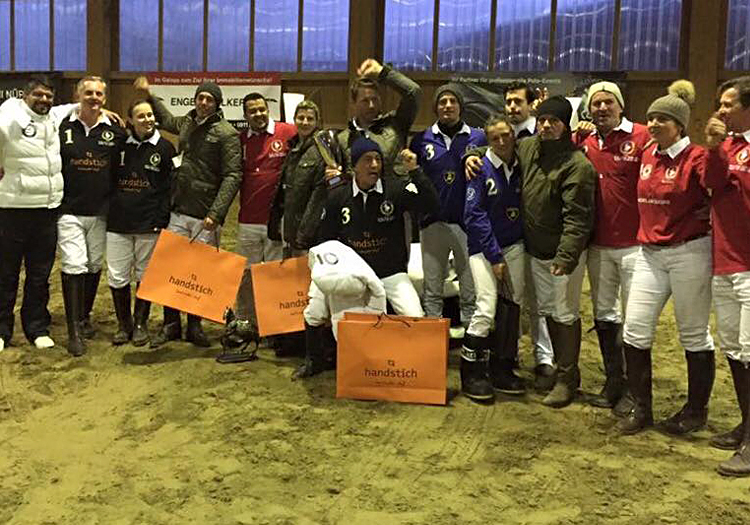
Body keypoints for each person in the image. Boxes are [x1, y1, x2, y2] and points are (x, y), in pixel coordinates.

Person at [619, 81, 717, 435]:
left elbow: (717, 187)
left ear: (680, 125)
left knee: (693, 333)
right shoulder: (648, 154)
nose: (654, 124)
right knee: (635, 329)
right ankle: (641, 408)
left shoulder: (697, 157)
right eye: (651, 118)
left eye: (662, 119)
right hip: (650, 253)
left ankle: (695, 411)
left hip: (689, 252)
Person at [296, 138, 440, 378]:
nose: (374, 165)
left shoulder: (396, 189)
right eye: (367, 160)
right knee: (314, 310)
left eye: (378, 159)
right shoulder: (338, 196)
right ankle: (314, 360)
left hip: (389, 271)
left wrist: (415, 171)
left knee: (415, 315)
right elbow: (326, 239)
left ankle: (414, 366)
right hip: (351, 274)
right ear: (354, 166)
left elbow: (432, 205)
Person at [133, 77, 243, 348]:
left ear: (217, 104)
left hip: (205, 215)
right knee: (171, 269)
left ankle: (194, 325)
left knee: (199, 273)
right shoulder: (186, 123)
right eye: (200, 97)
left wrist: (216, 213)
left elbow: (233, 175)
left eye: (209, 99)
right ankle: (171, 324)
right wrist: (149, 95)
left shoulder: (227, 133)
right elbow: (166, 119)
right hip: (178, 209)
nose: (203, 102)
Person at [572, 82, 651, 411]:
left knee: (635, 320)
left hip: (635, 246)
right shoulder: (583, 140)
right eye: (596, 103)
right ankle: (613, 381)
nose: (602, 108)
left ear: (620, 105)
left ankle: (636, 390)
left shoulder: (642, 136)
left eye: (608, 102)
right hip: (599, 245)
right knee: (604, 314)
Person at [58, 76, 127, 356]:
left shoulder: (116, 131)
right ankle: (74, 330)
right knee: (74, 264)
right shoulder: (61, 126)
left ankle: (83, 316)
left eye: (99, 94)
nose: (94, 98)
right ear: (78, 95)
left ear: (105, 98)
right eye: (88, 93)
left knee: (93, 264)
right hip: (68, 210)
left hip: (101, 211)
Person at [409, 83, 485, 334]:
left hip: (467, 224)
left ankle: (471, 342)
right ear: (435, 107)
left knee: (470, 288)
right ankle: (433, 340)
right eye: (442, 102)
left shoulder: (478, 138)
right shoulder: (421, 140)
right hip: (433, 224)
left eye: (453, 101)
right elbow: (412, 179)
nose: (448, 106)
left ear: (461, 106)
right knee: (432, 289)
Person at [461, 115, 527, 402]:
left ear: (513, 135)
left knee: (513, 305)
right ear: (487, 141)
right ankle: (472, 373)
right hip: (484, 247)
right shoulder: (479, 168)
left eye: (505, 135)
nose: (501, 141)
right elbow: (473, 215)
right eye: (494, 138)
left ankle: (503, 367)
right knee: (486, 307)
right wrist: (494, 255)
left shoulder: (520, 165)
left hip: (514, 244)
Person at [703, 76, 750, 476]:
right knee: (734, 348)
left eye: (728, 104)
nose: (720, 109)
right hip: (725, 259)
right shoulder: (728, 146)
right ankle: (747, 425)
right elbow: (712, 183)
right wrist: (715, 148)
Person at [0, 76, 68, 352]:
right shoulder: (9, 115)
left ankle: (37, 327)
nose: (44, 100)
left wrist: (103, 111)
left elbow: (73, 107)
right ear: (25, 96)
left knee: (40, 276)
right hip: (12, 210)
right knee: (6, 274)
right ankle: (2, 330)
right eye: (38, 95)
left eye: (48, 96)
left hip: (46, 211)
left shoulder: (54, 117)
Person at [106, 99, 174, 347]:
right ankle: (123, 324)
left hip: (149, 222)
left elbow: (170, 188)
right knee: (117, 274)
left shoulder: (165, 148)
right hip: (118, 222)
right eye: (141, 116)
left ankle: (139, 324)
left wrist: (161, 219)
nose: (148, 120)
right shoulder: (118, 146)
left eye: (150, 115)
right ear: (131, 121)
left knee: (145, 274)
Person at [234, 93, 296, 330]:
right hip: (248, 220)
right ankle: (245, 322)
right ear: (245, 115)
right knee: (246, 274)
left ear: (268, 109)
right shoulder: (240, 140)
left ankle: (274, 325)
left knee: (274, 274)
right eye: (252, 111)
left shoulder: (287, 132)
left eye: (261, 109)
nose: (258, 114)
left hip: (276, 221)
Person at [330, 58, 421, 179]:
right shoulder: (343, 140)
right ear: (354, 104)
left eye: (375, 100)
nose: (371, 105)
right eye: (365, 101)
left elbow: (414, 92)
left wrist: (382, 72)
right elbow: (335, 182)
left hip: (394, 190)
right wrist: (335, 178)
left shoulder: (396, 124)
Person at [268, 100, 326, 256]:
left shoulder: (322, 149)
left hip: (307, 233)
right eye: (301, 118)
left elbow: (318, 197)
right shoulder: (293, 146)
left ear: (317, 122)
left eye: (310, 119)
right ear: (294, 120)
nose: (305, 122)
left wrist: (304, 235)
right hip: (289, 226)